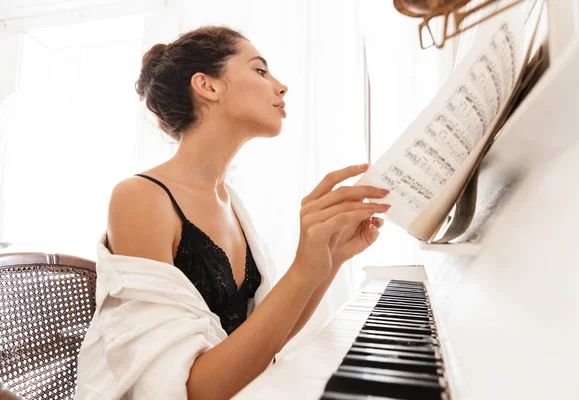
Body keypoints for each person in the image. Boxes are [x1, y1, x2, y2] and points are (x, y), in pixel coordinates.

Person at [75, 26, 390, 400]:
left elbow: (261, 341)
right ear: (208, 87)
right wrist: (304, 267)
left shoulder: (230, 200)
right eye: (260, 70)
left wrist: (332, 256)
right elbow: (188, 391)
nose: (281, 86)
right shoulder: (140, 197)